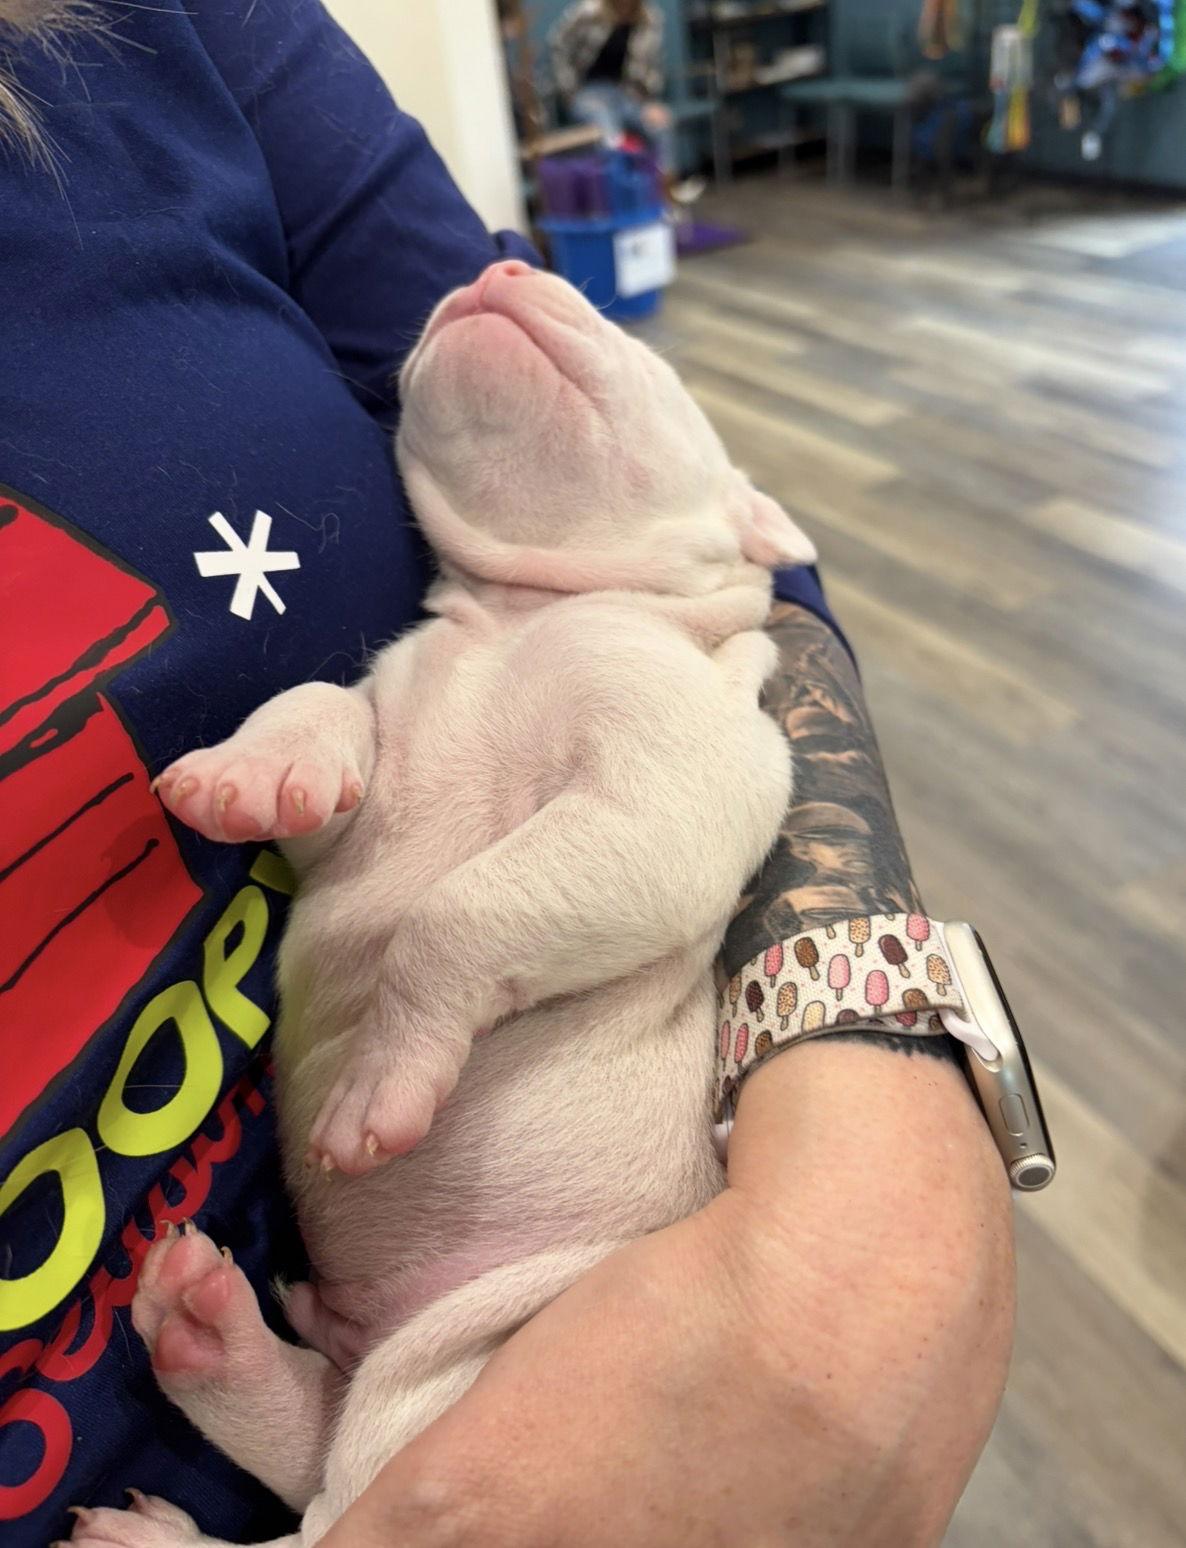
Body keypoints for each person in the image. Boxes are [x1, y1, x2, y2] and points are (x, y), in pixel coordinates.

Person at [0, 1, 1013, 1544]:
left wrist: (440, 980)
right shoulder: (460, 650)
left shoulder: (668, 650)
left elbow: (674, 825)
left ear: (749, 526)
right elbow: (354, 768)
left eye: (597, 330)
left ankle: (321, 1450)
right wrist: (308, 746)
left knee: (489, 1413)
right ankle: (306, 1427)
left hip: (555, 1291)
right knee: (430, 1418)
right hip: (405, 1294)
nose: (497, 280)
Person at [549, 0, 686, 185]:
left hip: (626, 94)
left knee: (661, 124)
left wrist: (650, 102)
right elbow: (558, 45)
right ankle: (623, 190)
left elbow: (654, 66)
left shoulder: (650, 19)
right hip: (587, 94)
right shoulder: (588, 13)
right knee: (609, 131)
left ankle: (666, 189)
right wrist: (568, 91)